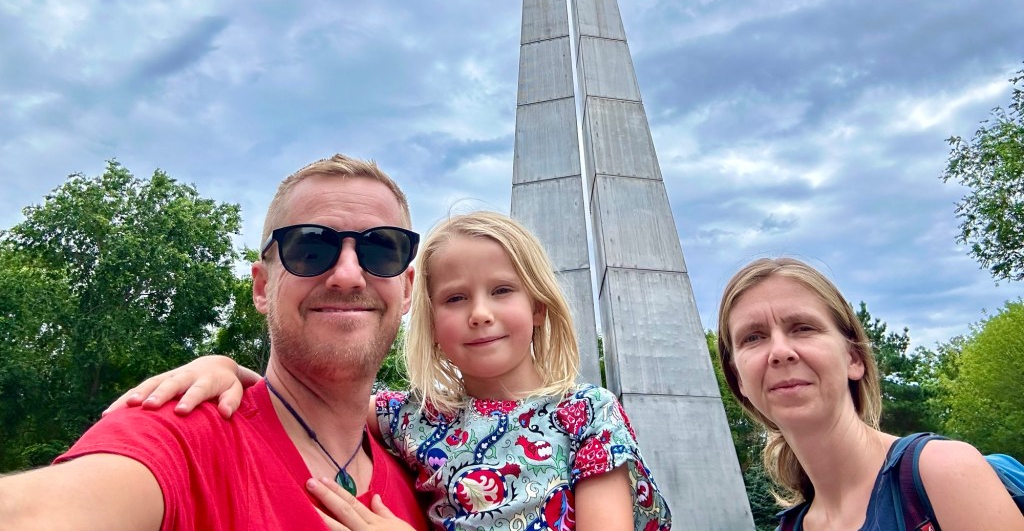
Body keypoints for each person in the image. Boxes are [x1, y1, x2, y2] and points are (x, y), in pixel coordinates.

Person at [111, 211, 673, 531]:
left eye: (502, 291)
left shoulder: (587, 414)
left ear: (540, 308)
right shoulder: (412, 417)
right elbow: (299, 403)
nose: (480, 313)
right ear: (430, 321)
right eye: (455, 298)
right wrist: (224, 368)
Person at [0, 154, 430, 531]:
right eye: (311, 248)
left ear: (407, 289)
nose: (349, 275)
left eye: (382, 250)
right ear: (262, 288)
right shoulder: (182, 436)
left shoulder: (429, 476)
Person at [716, 257, 1024, 531]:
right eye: (753, 337)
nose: (780, 352)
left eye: (803, 328)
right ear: (739, 379)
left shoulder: (945, 471)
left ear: (853, 359)